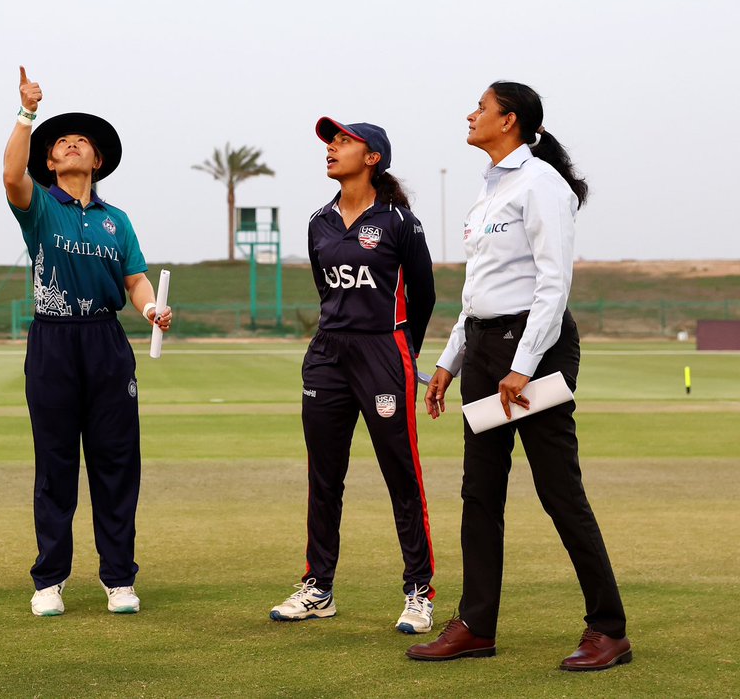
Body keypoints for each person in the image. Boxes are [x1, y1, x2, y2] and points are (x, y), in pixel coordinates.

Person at [406, 82, 631, 670]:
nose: (470, 114)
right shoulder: (488, 193)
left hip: (533, 351)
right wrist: (448, 362)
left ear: (509, 120)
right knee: (480, 493)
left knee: (560, 492)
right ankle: (476, 625)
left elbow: (553, 286)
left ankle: (609, 629)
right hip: (484, 349)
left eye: (480, 107)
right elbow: (478, 291)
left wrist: (521, 367)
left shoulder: (542, 185)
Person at [4, 67, 172, 617]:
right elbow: (10, 177)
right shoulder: (40, 206)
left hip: (106, 339)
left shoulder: (116, 220)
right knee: (55, 465)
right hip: (52, 341)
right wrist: (28, 113)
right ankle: (49, 580)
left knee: (117, 462)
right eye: (61, 143)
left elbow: (135, 279)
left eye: (83, 142)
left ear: (97, 161)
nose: (72, 144)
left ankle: (118, 579)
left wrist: (149, 307)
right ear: (49, 162)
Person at [269, 118, 437, 634]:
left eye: (343, 142)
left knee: (401, 475)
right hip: (327, 355)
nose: (331, 149)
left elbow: (424, 295)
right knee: (324, 477)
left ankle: (419, 591)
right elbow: (328, 291)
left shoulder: (399, 221)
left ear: (373, 158)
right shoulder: (319, 221)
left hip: (384, 353)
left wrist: (403, 351)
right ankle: (318, 587)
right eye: (330, 142)